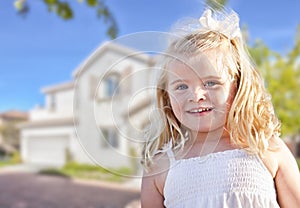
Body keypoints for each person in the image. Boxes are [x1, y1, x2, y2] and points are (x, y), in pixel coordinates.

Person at [140, 8, 300, 208]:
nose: (196, 96)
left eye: (211, 83)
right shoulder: (160, 166)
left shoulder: (266, 148)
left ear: (238, 87)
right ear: (166, 96)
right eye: (181, 86)